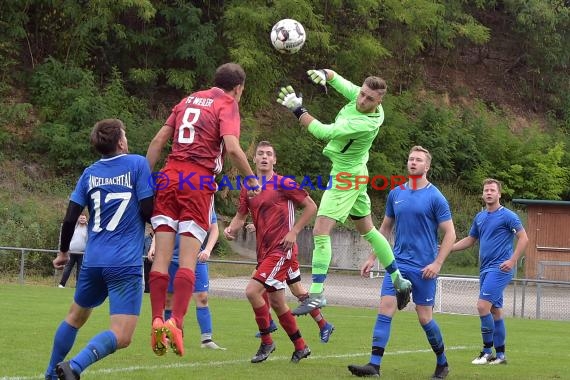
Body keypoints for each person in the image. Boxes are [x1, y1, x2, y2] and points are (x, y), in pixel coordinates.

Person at [146, 62, 260, 357]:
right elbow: (233, 148)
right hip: (196, 180)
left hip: (169, 177)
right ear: (238, 88)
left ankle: (157, 319)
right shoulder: (227, 103)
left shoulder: (186, 100)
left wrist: (147, 180)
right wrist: (251, 179)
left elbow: (158, 140)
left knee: (160, 259)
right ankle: (176, 322)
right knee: (187, 261)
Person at [276, 69, 411, 316]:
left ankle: (316, 294)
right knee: (368, 230)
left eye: (369, 99)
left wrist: (298, 109)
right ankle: (399, 280)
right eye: (361, 94)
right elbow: (343, 83)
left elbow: (323, 132)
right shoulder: (361, 99)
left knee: (320, 231)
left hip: (346, 177)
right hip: (357, 171)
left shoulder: (363, 122)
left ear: (379, 102)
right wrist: (325, 74)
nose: (361, 100)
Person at [45, 119, 154, 380]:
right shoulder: (138, 163)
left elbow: (71, 216)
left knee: (74, 317)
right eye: (125, 134)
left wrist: (63, 252)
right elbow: (149, 209)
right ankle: (75, 366)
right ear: (120, 141)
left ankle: (50, 374)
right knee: (122, 334)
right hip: (124, 263)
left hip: (93, 261)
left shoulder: (89, 172)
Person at [348, 146, 456, 379]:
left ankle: (442, 363)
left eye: (418, 160)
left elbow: (450, 233)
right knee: (385, 308)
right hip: (398, 266)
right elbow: (384, 229)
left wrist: (437, 263)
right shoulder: (395, 194)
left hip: (424, 268)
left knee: (424, 317)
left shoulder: (435, 197)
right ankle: (374, 366)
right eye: (410, 159)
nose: (413, 162)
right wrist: (372, 257)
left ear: (427, 166)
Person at [224, 141, 317, 363]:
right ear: (254, 159)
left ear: (274, 160)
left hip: (281, 250)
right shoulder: (249, 187)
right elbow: (240, 216)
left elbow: (311, 206)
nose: (264, 157)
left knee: (252, 291)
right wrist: (231, 229)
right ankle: (300, 346)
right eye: (260, 154)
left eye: (269, 154)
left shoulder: (284, 183)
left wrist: (294, 231)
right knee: (277, 303)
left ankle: (267, 342)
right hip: (264, 253)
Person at [451, 178, 528, 365]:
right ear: (482, 194)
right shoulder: (480, 217)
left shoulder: (508, 216)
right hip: (485, 269)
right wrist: (448, 248)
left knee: (482, 306)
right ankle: (500, 356)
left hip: (501, 268)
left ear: (499, 194)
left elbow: (524, 238)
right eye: (486, 190)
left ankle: (486, 352)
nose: (489, 193)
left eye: (492, 190)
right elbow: (470, 239)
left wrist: (512, 260)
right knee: (495, 312)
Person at [247, 224, 335, 343]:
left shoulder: (282, 209)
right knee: (259, 284)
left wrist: (258, 226)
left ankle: (324, 325)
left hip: (283, 253)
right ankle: (269, 322)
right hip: (272, 253)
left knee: (297, 291)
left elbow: (281, 223)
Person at [158, 212, 226, 350]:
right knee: (169, 299)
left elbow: (214, 229)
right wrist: (154, 247)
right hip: (170, 258)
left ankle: (206, 340)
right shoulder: (172, 200)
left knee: (202, 297)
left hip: (195, 258)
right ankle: (173, 336)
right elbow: (162, 227)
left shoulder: (204, 201)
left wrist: (207, 249)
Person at [58, 214, 88, 288]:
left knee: (80, 270)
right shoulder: (74, 227)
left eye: (83, 218)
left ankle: (78, 286)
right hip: (71, 252)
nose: (82, 219)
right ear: (78, 219)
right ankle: (62, 284)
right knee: (67, 268)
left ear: (86, 219)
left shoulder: (88, 228)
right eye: (81, 218)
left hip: (82, 253)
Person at [143, 226, 154, 293]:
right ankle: (147, 290)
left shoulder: (158, 238)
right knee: (147, 275)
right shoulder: (146, 238)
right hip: (146, 259)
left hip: (156, 260)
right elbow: (143, 248)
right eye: (152, 229)